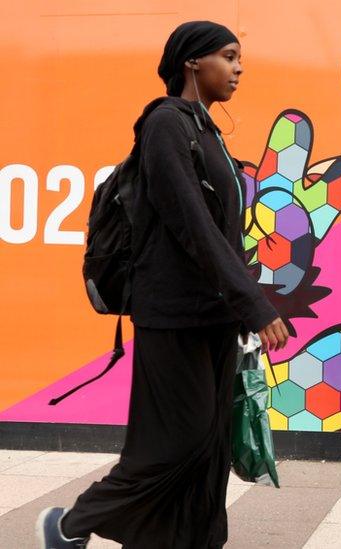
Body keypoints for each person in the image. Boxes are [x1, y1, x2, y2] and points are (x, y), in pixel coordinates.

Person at [36, 21, 289, 548]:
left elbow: (223, 233)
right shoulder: (165, 123)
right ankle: (67, 527)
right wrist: (255, 306)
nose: (239, 67)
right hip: (172, 313)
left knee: (210, 445)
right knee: (171, 445)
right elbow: (190, 223)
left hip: (214, 316)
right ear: (192, 62)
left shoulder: (209, 131)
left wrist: (240, 306)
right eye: (228, 55)